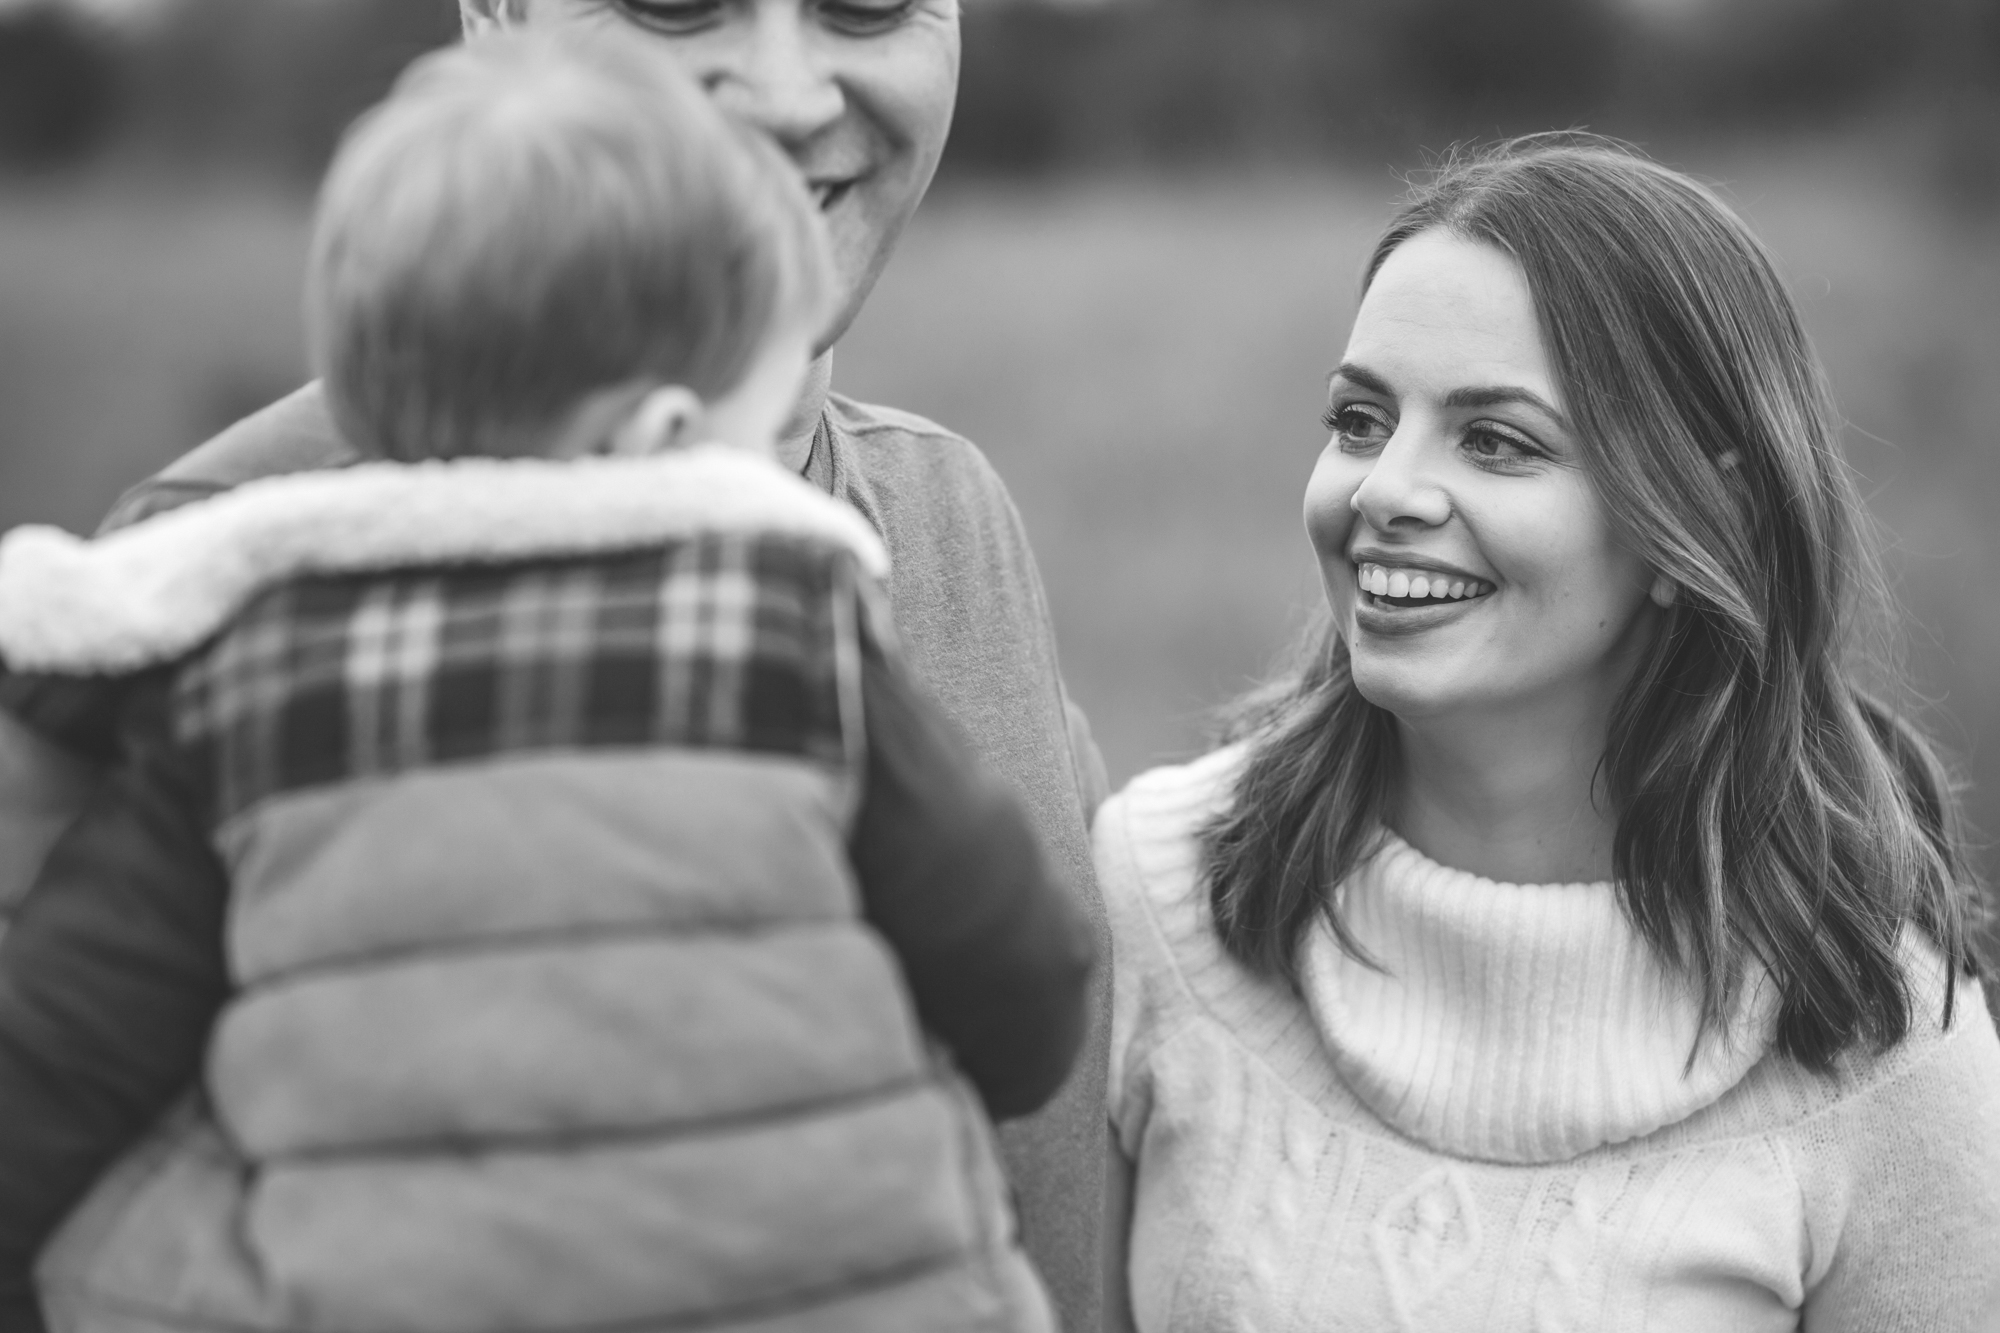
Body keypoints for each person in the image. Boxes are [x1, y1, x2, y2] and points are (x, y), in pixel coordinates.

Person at [0, 1, 1113, 1328]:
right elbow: (1029, 996)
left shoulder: (954, 508)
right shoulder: (194, 589)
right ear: (496, 18)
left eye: (865, 1)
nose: (783, 87)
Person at [1096, 135, 2000, 1331]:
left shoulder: (1882, 1046)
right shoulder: (1153, 891)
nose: (1381, 489)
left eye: (1497, 441)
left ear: (1695, 514)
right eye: (1360, 419)